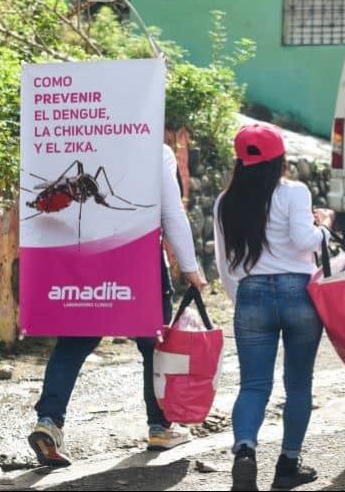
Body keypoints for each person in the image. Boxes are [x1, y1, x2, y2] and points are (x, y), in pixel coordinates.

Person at [28, 144, 207, 467]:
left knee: (71, 345)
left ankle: (48, 422)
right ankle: (160, 427)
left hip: (87, 257)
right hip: (139, 259)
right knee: (154, 347)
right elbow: (171, 212)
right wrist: (191, 269)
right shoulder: (156, 149)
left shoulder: (79, 140)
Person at [214, 122, 333, 491]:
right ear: (280, 158)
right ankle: (287, 466)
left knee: (252, 386)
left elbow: (224, 265)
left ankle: (245, 452)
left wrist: (242, 299)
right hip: (299, 293)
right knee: (298, 384)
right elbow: (304, 239)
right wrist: (324, 228)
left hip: (251, 295)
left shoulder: (225, 201)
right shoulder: (294, 192)